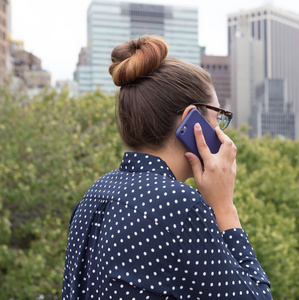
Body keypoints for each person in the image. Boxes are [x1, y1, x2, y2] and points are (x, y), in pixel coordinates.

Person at [62, 35, 272, 299]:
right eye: (218, 118)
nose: (221, 132)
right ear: (192, 121)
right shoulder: (180, 206)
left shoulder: (94, 194)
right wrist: (224, 208)